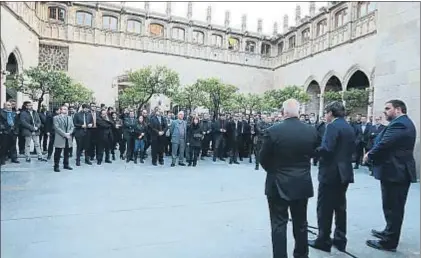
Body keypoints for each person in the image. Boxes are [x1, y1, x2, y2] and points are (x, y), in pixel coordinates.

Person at [260, 99, 319, 258]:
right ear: (298, 112)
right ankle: (301, 254)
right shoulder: (311, 131)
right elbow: (314, 153)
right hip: (301, 183)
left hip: (278, 183)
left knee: (279, 223)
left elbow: (263, 158)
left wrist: (274, 171)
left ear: (283, 112)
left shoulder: (273, 131)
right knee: (301, 222)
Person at [363, 100, 417, 252]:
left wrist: (369, 155)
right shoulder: (400, 123)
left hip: (397, 172)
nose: (384, 111)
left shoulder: (400, 124)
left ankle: (389, 242)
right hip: (393, 171)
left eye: (388, 108)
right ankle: (388, 231)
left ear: (398, 109)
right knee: (390, 205)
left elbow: (384, 143)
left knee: (394, 207)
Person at [308, 101, 356, 253]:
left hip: (331, 173)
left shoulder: (333, 126)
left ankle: (323, 239)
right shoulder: (348, 126)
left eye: (326, 113)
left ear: (330, 113)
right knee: (340, 207)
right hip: (345, 172)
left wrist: (312, 152)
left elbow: (327, 149)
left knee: (325, 208)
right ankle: (340, 239)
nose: (325, 116)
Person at [52, 105, 74, 172]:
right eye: (64, 109)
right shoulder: (56, 118)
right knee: (58, 153)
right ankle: (56, 166)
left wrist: (69, 133)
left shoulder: (69, 118)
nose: (65, 110)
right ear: (61, 110)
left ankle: (66, 164)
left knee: (67, 152)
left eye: (66, 109)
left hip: (68, 137)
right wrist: (64, 134)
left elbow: (72, 127)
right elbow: (56, 127)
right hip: (60, 137)